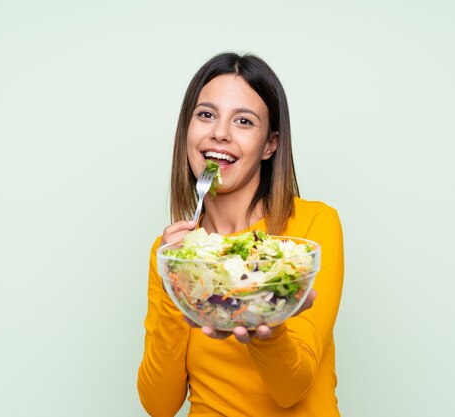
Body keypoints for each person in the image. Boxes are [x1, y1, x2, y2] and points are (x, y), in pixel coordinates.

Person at [137, 52, 344, 416]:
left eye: (244, 121)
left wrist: (266, 327)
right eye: (206, 115)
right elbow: (160, 404)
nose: (220, 132)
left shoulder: (311, 228)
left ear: (270, 144)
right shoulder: (170, 252)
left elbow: (291, 388)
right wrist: (174, 283)